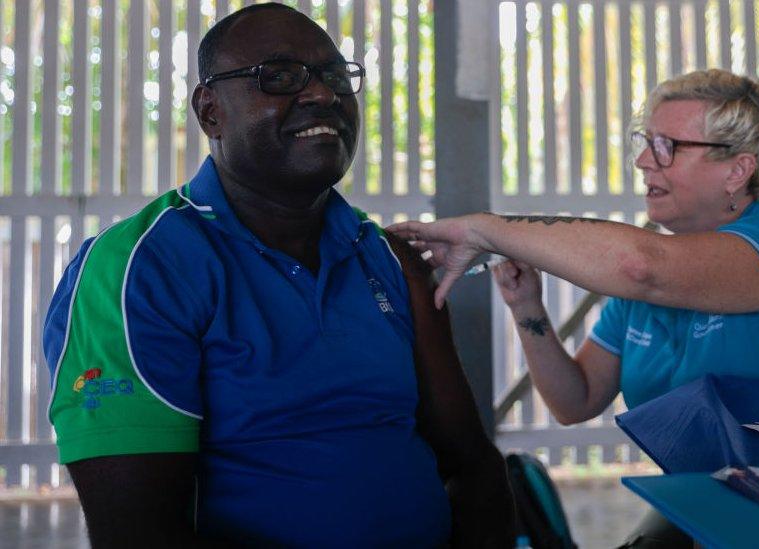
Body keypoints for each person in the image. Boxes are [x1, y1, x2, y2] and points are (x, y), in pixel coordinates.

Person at [43, 4, 514, 547]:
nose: (322, 94)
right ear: (210, 111)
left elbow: (474, 468)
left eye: (336, 76)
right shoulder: (138, 269)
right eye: (280, 76)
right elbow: (138, 534)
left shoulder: (388, 259)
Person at [389, 69, 759, 546]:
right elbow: (575, 400)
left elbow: (640, 266)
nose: (643, 161)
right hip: (712, 503)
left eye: (668, 146)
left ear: (737, 170)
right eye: (645, 141)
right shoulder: (648, 288)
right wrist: (527, 307)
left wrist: (485, 228)